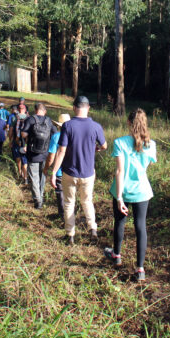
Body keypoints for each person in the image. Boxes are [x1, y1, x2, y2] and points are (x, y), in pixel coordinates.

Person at [103, 108, 156, 282]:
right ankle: (140, 269)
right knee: (141, 227)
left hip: (123, 190)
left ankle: (116, 255)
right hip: (142, 191)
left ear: (128, 123)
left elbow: (119, 171)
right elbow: (145, 167)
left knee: (119, 222)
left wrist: (119, 197)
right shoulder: (151, 144)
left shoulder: (120, 142)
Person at [49, 96, 107, 245]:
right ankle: (92, 229)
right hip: (88, 173)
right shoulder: (96, 126)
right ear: (88, 108)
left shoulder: (68, 126)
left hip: (69, 172)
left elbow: (61, 151)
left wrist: (54, 171)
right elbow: (104, 145)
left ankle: (70, 235)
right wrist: (97, 148)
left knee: (69, 203)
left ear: (74, 108)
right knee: (87, 201)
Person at [21, 103, 57, 209]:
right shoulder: (48, 121)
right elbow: (55, 134)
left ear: (35, 110)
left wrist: (29, 136)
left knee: (33, 177)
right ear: (44, 111)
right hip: (45, 154)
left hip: (32, 154)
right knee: (43, 176)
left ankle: (37, 199)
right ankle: (40, 196)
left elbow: (23, 134)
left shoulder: (30, 119)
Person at [45, 113, 71, 218]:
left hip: (60, 171)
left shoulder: (56, 137)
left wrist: (46, 168)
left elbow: (51, 156)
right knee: (70, 194)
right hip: (72, 170)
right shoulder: (74, 135)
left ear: (58, 126)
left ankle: (62, 216)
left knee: (60, 193)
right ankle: (70, 215)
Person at [10, 107, 29, 185]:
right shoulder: (28, 124)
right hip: (26, 146)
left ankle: (20, 172)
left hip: (18, 144)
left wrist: (14, 141)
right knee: (25, 162)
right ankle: (25, 177)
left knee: (18, 159)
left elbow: (16, 136)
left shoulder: (16, 120)